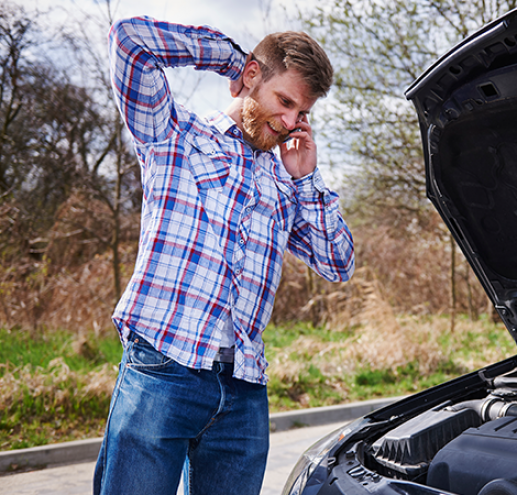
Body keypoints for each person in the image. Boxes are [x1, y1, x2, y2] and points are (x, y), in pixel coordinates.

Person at [94, 16, 355, 495]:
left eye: (302, 112)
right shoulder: (175, 137)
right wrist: (232, 59)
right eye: (285, 102)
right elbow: (129, 42)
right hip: (163, 369)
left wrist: (306, 180)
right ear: (253, 78)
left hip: (244, 387)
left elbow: (338, 262)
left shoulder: (284, 183)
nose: (291, 122)